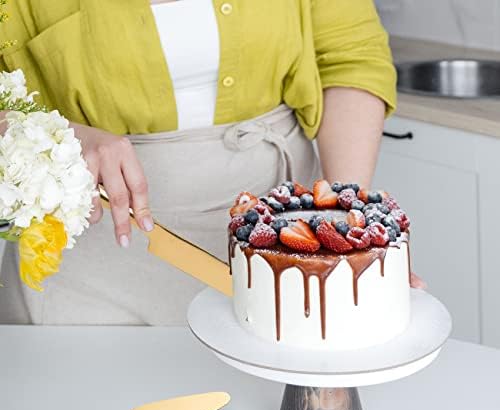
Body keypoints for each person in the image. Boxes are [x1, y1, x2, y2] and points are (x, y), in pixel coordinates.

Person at [0, 0, 422, 325]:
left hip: (283, 256)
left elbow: (350, 57)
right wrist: (47, 135)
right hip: (87, 259)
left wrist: (345, 231)